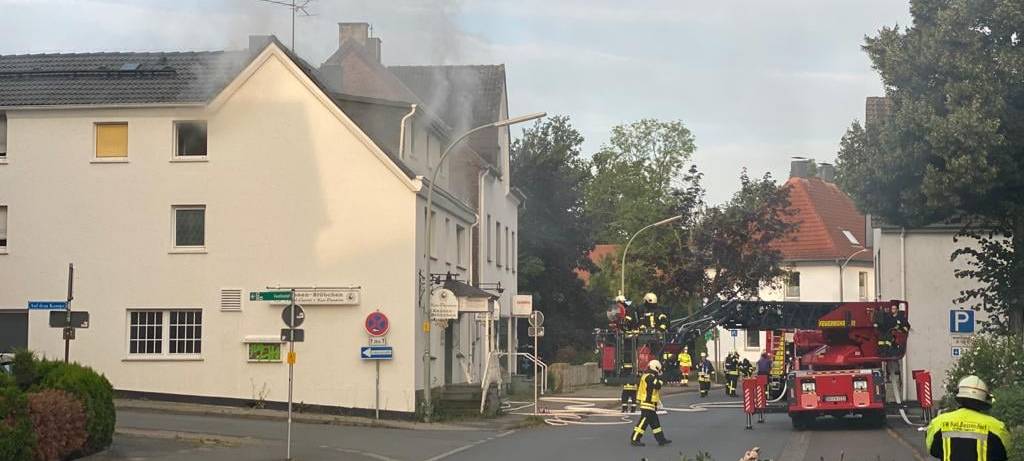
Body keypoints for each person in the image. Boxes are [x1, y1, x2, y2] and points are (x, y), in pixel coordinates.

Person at [925, 375, 1012, 460]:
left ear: (960, 397)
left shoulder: (939, 422)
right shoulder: (997, 427)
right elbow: (1004, 453)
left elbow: (933, 450)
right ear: (984, 401)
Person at [630, 359, 672, 447]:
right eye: (659, 369)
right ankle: (635, 438)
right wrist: (661, 377)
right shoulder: (649, 377)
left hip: (650, 403)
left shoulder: (648, 376)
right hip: (647, 402)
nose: (659, 371)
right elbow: (657, 385)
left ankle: (661, 439)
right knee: (643, 422)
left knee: (655, 423)